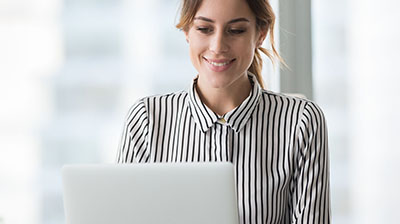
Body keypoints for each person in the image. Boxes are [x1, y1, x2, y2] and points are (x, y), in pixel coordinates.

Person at [116, 0, 331, 223]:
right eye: (204, 29)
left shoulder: (301, 121)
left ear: (260, 34)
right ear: (187, 31)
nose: (218, 46)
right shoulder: (146, 119)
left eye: (236, 30)